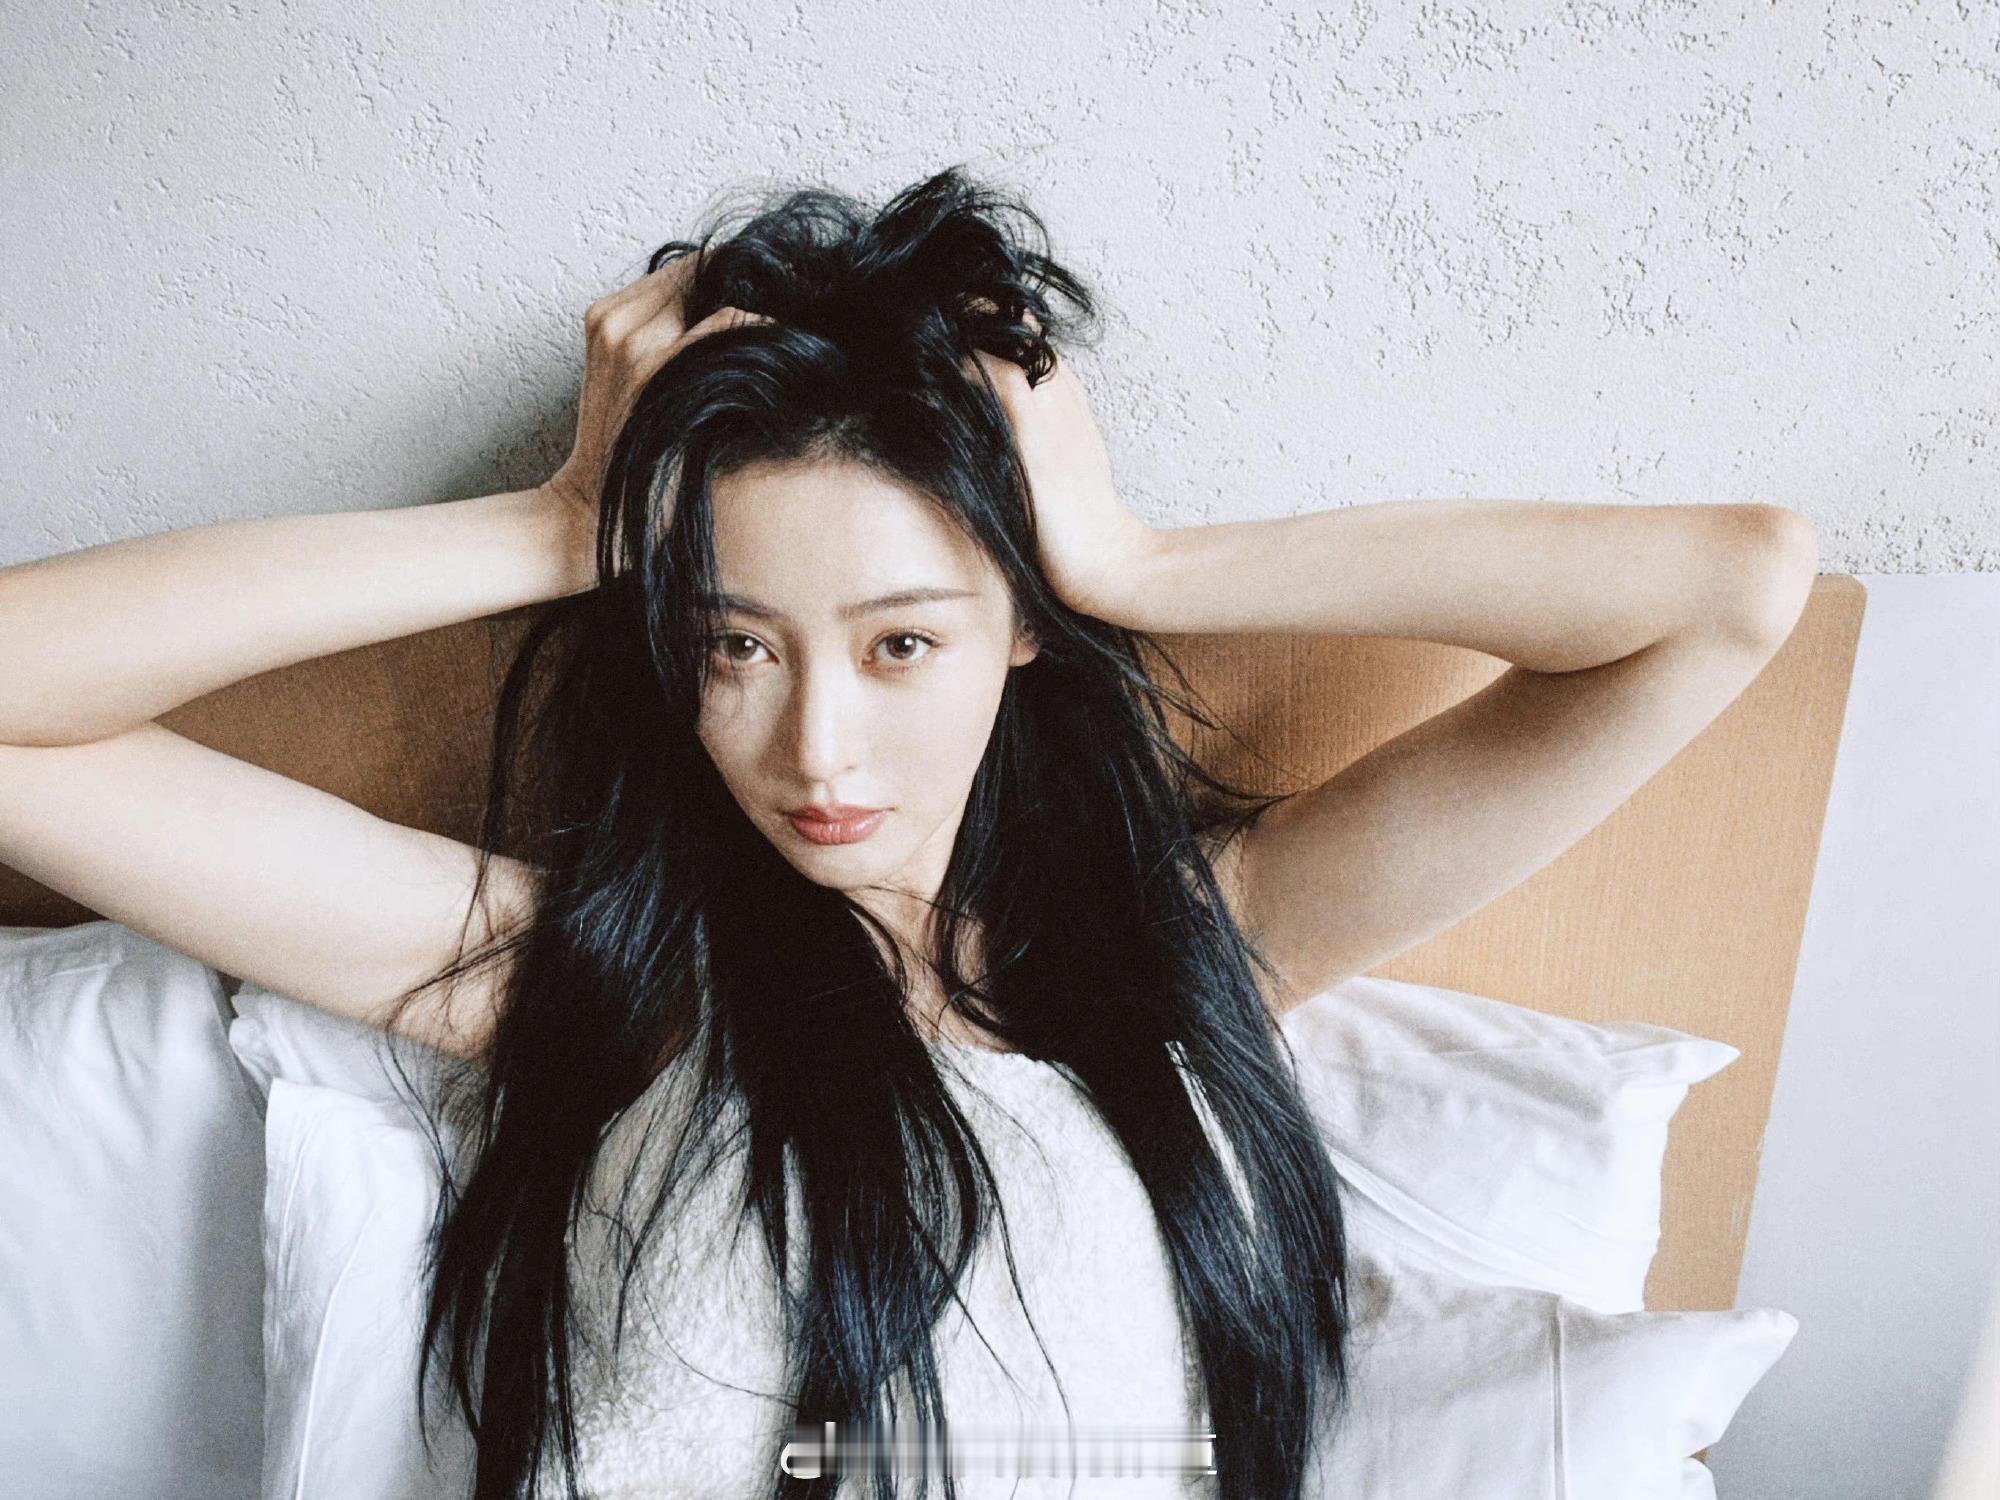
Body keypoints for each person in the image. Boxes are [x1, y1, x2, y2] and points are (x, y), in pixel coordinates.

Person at [0, 165, 1818, 1500]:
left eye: (900, 644)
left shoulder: (1193, 953)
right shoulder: (585, 978)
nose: (816, 746)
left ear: (1020, 628)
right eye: (734, 646)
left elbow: (1734, 593)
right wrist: (557, 526)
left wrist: (1136, 563)